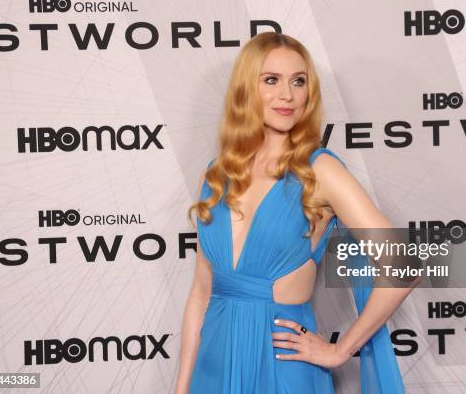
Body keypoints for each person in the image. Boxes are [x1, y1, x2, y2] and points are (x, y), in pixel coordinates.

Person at [176, 32, 417, 393]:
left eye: (298, 81)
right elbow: (201, 292)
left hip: (283, 366)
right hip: (214, 364)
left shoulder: (320, 171)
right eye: (271, 80)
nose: (287, 94)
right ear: (246, 89)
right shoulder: (217, 174)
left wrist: (339, 351)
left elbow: (405, 264)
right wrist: (182, 386)